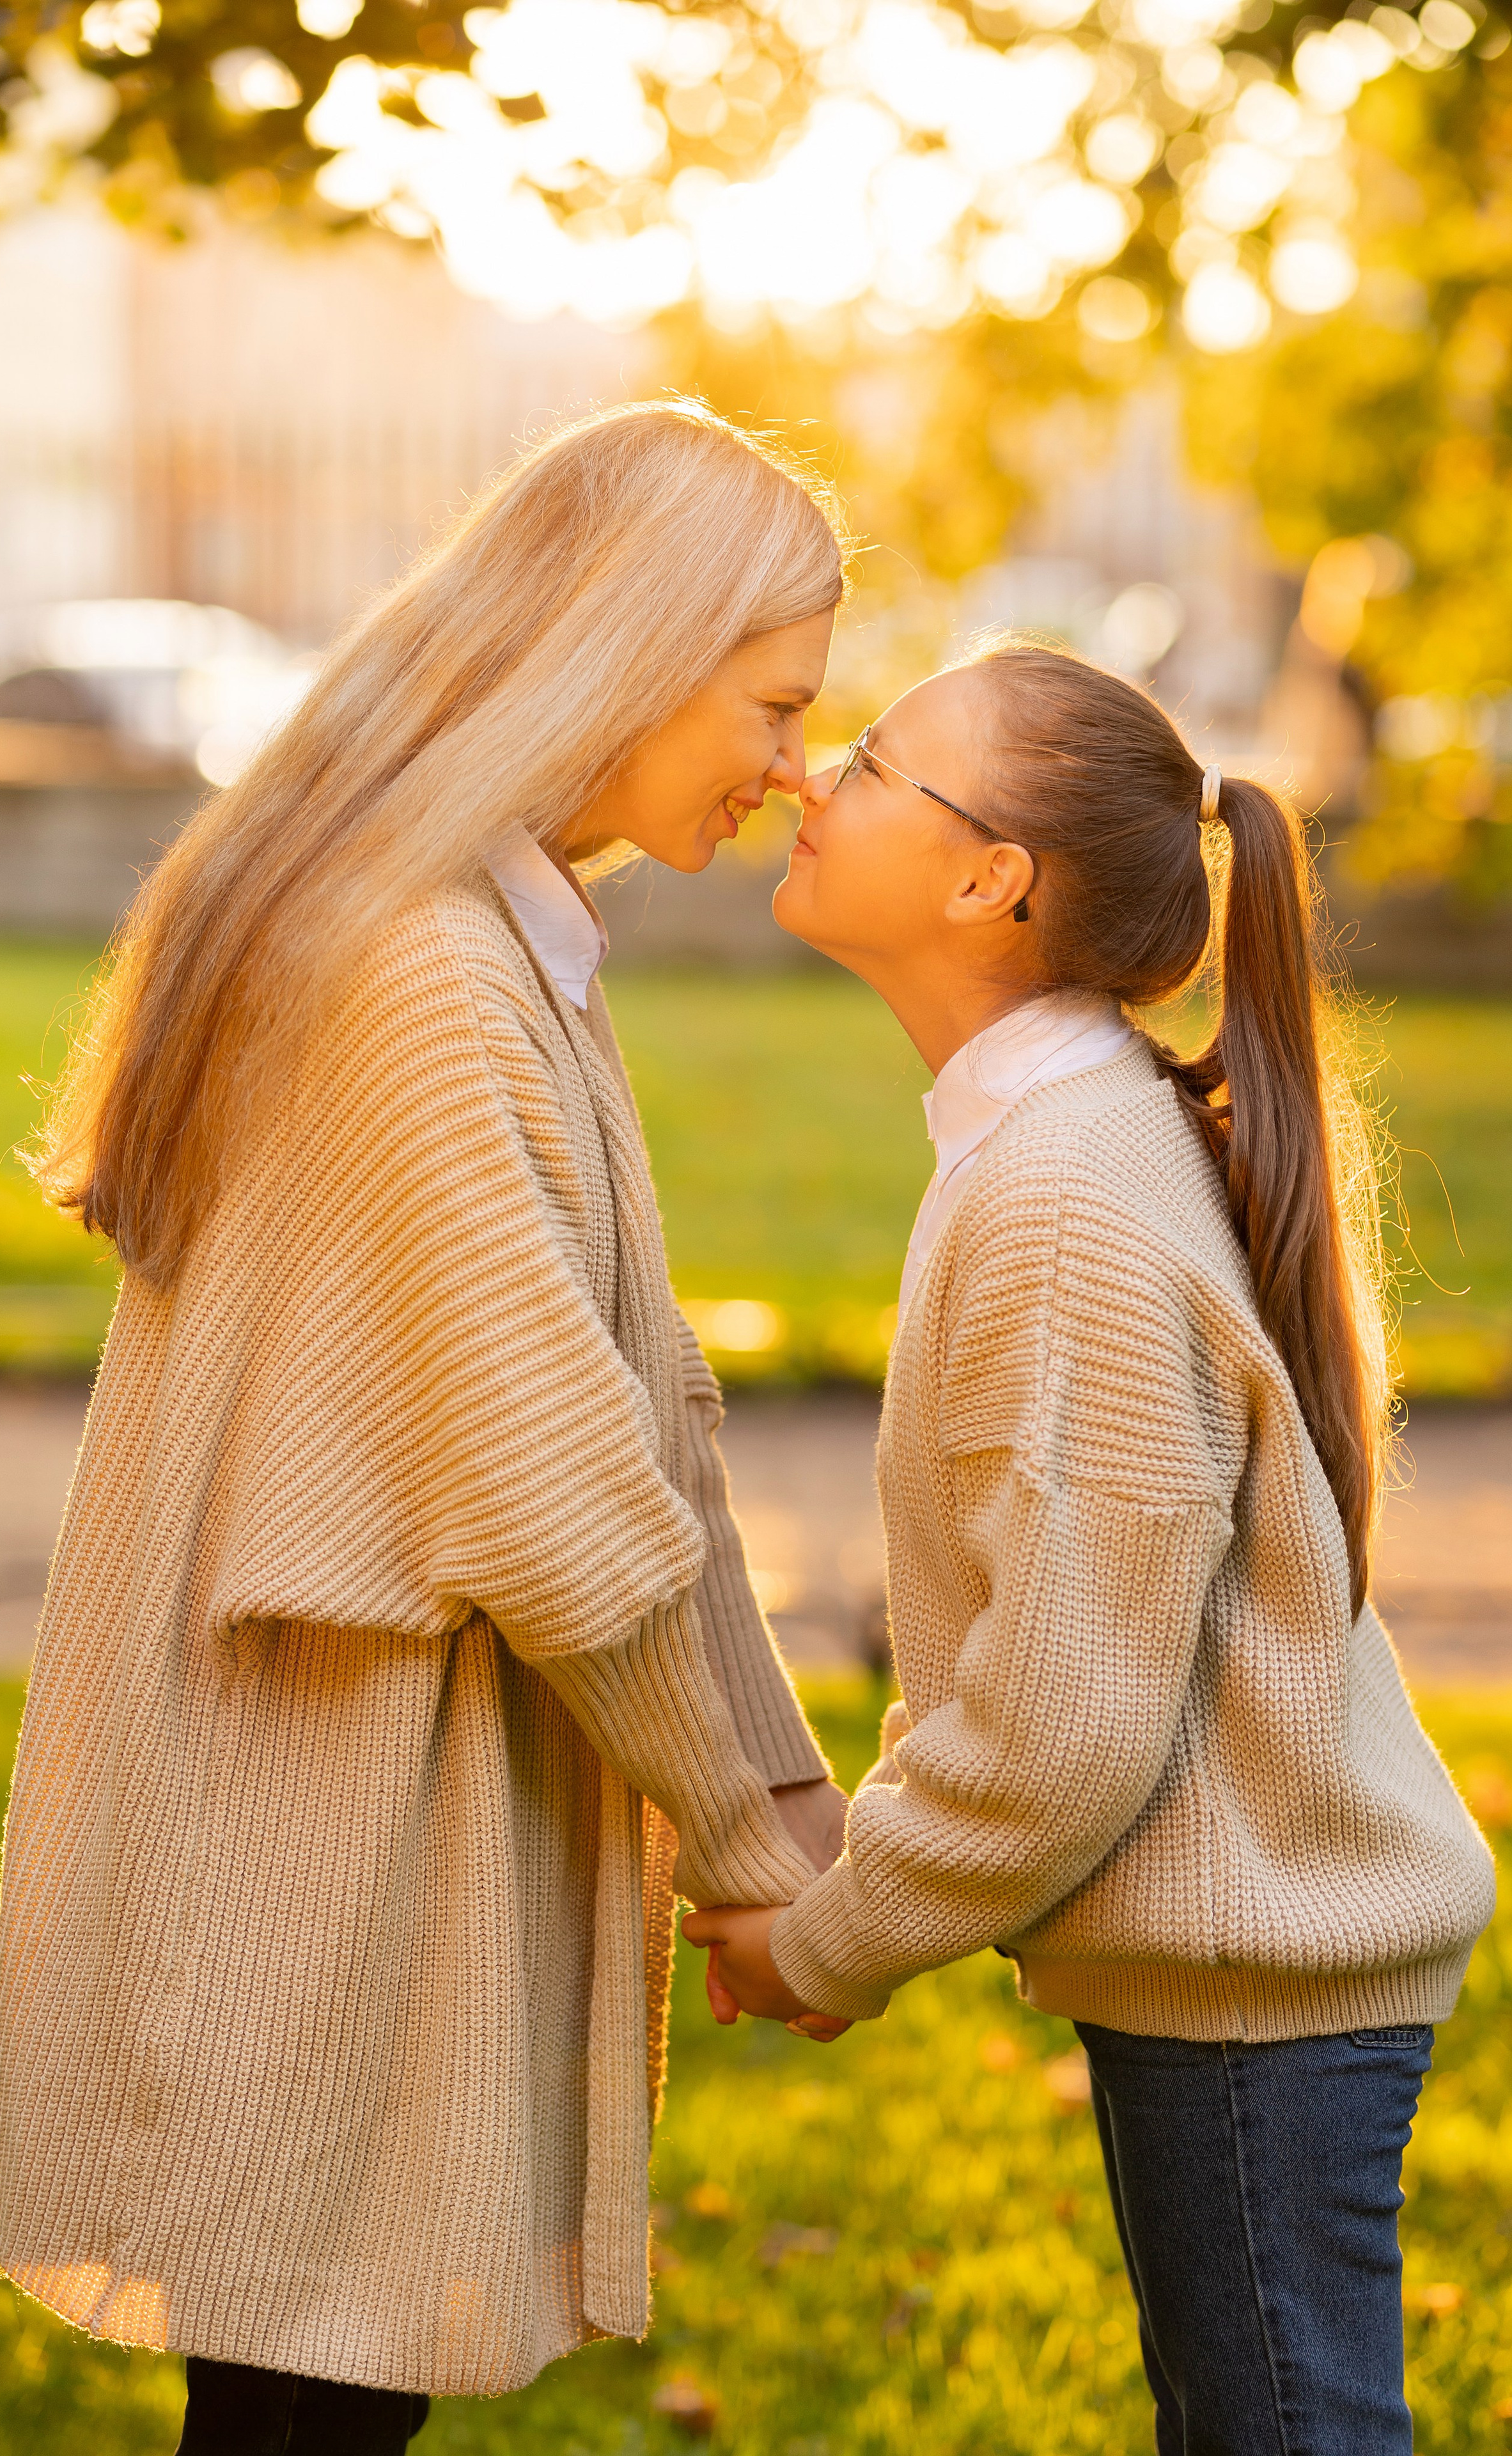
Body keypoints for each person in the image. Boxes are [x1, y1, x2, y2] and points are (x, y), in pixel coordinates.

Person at [0, 402, 852, 2454]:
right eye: (776, 703)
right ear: (635, 649)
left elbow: (656, 1427)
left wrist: (785, 1798)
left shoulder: (505, 941)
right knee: (301, 2421)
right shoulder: (423, 971)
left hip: (355, 1830)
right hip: (320, 1850)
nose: (798, 766)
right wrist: (765, 1857)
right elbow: (562, 1500)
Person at [686, 641, 1497, 2455]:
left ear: (992, 880)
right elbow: (1044, 1639)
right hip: (1239, 1975)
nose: (818, 774)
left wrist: (825, 1936)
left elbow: (1059, 1731)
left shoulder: (1064, 1189)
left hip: (1258, 1987)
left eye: (880, 760)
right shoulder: (1049, 1144)